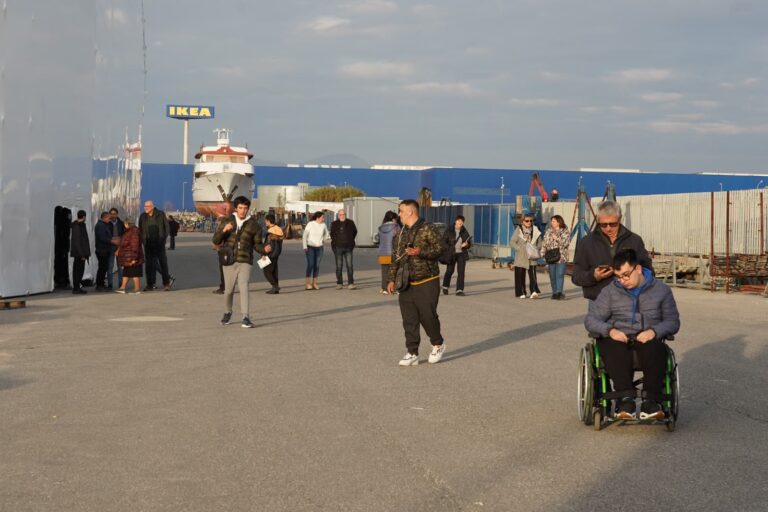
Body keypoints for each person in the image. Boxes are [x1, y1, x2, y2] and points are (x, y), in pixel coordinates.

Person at [585, 249, 680, 420]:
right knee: (611, 346)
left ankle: (651, 402)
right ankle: (624, 400)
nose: (622, 281)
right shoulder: (609, 292)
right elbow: (591, 320)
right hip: (618, 337)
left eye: (626, 275)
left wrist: (654, 331)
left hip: (648, 337)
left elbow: (673, 322)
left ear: (637, 268)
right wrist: (610, 331)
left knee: (656, 347)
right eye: (618, 277)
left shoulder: (662, 290)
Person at [387, 199, 446, 366]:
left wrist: (421, 252)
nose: (399, 215)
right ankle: (412, 352)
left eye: (401, 211)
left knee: (428, 315)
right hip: (406, 281)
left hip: (426, 279)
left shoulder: (428, 229)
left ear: (410, 212)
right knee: (409, 318)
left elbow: (441, 248)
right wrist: (390, 279)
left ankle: (438, 344)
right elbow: (395, 259)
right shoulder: (400, 234)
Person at [572, 200, 652, 301]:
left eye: (612, 224)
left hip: (630, 300)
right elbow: (576, 276)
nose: (608, 228)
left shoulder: (634, 240)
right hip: (599, 301)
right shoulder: (586, 243)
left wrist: (635, 277)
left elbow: (649, 271)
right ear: (598, 220)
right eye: (604, 225)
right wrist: (594, 276)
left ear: (620, 219)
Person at [211, 196, 271, 328]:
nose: (243, 211)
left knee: (244, 287)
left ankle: (245, 317)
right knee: (228, 290)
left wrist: (264, 250)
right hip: (229, 260)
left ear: (248, 209)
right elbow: (215, 240)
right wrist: (224, 230)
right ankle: (227, 312)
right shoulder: (227, 220)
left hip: (245, 260)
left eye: (245, 208)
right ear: (236, 208)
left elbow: (257, 244)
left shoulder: (254, 225)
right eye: (240, 208)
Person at [138, 200, 174, 291]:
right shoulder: (142, 216)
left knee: (163, 264)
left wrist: (163, 239)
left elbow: (167, 228)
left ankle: (166, 283)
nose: (145, 207)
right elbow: (140, 230)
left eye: (147, 206)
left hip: (159, 244)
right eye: (145, 206)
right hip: (148, 244)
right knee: (149, 265)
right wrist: (143, 240)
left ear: (152, 207)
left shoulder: (160, 214)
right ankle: (149, 284)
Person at [511, 214, 542, 299]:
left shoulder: (535, 230)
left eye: (531, 221)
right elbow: (512, 242)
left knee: (532, 275)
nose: (529, 222)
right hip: (521, 256)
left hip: (532, 255)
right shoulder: (519, 229)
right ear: (523, 221)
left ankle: (533, 291)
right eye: (527, 221)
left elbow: (540, 242)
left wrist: (537, 248)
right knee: (520, 275)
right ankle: (521, 292)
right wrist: (518, 248)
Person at [541, 215, 571, 300]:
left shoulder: (565, 231)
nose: (552, 223)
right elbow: (544, 243)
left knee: (560, 274)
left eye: (553, 221)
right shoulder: (548, 231)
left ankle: (559, 292)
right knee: (552, 275)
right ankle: (554, 292)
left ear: (559, 222)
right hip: (550, 256)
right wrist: (542, 253)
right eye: (551, 221)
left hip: (561, 256)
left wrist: (557, 238)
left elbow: (566, 243)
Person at [441, 215, 472, 296]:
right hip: (451, 254)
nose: (460, 222)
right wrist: (450, 248)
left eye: (462, 221)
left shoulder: (464, 231)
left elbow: (469, 243)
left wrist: (466, 245)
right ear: (455, 221)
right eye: (459, 220)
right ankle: (445, 286)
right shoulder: (449, 230)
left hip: (461, 254)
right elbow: (443, 242)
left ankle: (459, 290)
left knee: (461, 272)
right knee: (450, 271)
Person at [330, 209, 358, 289]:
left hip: (348, 247)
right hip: (338, 247)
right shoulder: (334, 224)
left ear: (345, 215)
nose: (342, 216)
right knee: (339, 266)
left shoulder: (350, 223)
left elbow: (355, 232)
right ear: (338, 215)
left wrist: (351, 241)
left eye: (344, 214)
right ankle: (339, 283)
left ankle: (351, 283)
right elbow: (332, 234)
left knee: (350, 266)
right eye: (341, 214)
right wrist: (335, 244)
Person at [302, 211, 329, 290]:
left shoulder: (323, 225)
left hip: (319, 248)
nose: (323, 219)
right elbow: (304, 235)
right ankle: (307, 283)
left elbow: (326, 234)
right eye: (322, 217)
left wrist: (323, 240)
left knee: (317, 266)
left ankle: (315, 283)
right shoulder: (310, 224)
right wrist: (304, 246)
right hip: (310, 247)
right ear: (318, 217)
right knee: (311, 264)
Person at [116, 218, 144, 294]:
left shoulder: (133, 232)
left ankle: (137, 289)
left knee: (135, 273)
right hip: (128, 256)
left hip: (132, 256)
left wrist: (134, 258)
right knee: (127, 272)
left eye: (124, 224)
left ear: (127, 224)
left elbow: (135, 245)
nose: (124, 226)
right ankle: (122, 287)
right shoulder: (130, 231)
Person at [377, 210, 400, 294]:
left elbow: (379, 240)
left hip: (382, 252)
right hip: (393, 252)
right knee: (395, 270)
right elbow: (399, 239)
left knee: (385, 271)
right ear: (393, 219)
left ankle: (384, 289)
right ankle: (396, 289)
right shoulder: (396, 227)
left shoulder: (380, 228)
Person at [262, 213, 284, 294]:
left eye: (265, 220)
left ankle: (275, 286)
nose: (265, 222)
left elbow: (268, 245)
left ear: (268, 221)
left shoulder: (270, 231)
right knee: (274, 271)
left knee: (266, 271)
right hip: (276, 254)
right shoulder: (278, 229)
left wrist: (264, 254)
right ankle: (275, 288)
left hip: (270, 254)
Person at [70, 209, 90, 295]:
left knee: (79, 270)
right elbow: (77, 241)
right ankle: (76, 287)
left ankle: (77, 286)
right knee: (78, 271)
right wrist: (82, 254)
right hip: (79, 254)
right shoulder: (78, 226)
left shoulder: (79, 225)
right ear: (84, 217)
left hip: (80, 253)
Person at [94, 211, 113, 291]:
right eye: (109, 218)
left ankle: (101, 283)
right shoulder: (101, 225)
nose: (110, 219)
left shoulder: (105, 225)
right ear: (104, 217)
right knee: (102, 268)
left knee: (104, 268)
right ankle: (99, 285)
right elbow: (102, 237)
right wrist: (111, 241)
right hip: (102, 250)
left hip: (105, 249)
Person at [108, 207, 125, 290]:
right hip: (110, 247)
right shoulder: (107, 223)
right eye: (111, 213)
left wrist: (120, 241)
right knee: (110, 266)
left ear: (117, 214)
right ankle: (110, 284)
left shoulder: (121, 223)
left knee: (120, 267)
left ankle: (121, 283)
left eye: (114, 213)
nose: (113, 215)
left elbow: (124, 234)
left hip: (119, 246)